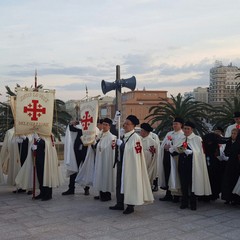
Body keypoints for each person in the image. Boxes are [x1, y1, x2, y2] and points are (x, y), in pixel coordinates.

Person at [109, 115, 154, 214]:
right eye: (124, 123)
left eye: (127, 124)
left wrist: (121, 145)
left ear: (133, 126)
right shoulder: (123, 135)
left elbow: (133, 151)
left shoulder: (135, 137)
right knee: (119, 183)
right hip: (122, 162)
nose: (125, 125)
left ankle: (130, 205)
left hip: (130, 165)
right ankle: (119, 203)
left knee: (130, 183)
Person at [172, 121, 212, 210]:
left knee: (193, 184)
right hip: (182, 164)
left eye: (188, 129)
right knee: (184, 184)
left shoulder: (197, 139)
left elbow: (200, 152)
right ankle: (184, 202)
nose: (186, 130)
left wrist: (192, 152)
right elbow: (179, 148)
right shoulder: (182, 138)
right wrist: (177, 149)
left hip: (193, 165)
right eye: (185, 128)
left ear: (192, 129)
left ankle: (193, 203)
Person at [158, 117, 184, 202]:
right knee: (167, 174)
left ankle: (176, 195)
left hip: (175, 158)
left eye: (176, 124)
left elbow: (181, 147)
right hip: (166, 157)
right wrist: (164, 146)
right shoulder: (169, 133)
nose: (174, 125)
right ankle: (168, 194)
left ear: (181, 125)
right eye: (173, 124)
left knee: (175, 176)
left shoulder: (182, 135)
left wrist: (172, 147)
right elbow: (163, 145)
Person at [31, 133, 63, 201]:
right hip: (38, 158)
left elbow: (46, 144)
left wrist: (38, 139)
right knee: (40, 176)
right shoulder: (38, 134)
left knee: (46, 176)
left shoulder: (49, 134)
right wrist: (33, 147)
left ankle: (48, 194)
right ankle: (42, 192)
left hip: (46, 159)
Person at [62, 120, 89, 196]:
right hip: (76, 150)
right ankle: (71, 188)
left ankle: (86, 188)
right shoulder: (78, 126)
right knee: (73, 169)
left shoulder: (90, 126)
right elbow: (71, 129)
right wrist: (72, 123)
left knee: (86, 170)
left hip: (86, 151)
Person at [93, 118, 117, 201]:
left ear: (109, 126)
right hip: (100, 159)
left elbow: (109, 149)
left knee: (106, 176)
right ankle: (101, 193)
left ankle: (106, 195)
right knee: (99, 175)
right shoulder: (100, 134)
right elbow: (96, 145)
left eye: (106, 125)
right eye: (103, 124)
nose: (104, 126)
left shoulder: (112, 137)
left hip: (107, 161)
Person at [221, 128, 240, 204]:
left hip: (236, 165)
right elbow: (226, 151)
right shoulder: (229, 142)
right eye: (232, 133)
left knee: (234, 181)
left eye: (235, 133)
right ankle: (227, 198)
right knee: (227, 181)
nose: (233, 135)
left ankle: (234, 199)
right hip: (229, 164)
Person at [140, 123, 158, 190]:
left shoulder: (152, 142)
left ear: (146, 132)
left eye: (142, 130)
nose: (140, 132)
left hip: (148, 164)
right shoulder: (138, 140)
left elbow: (154, 155)